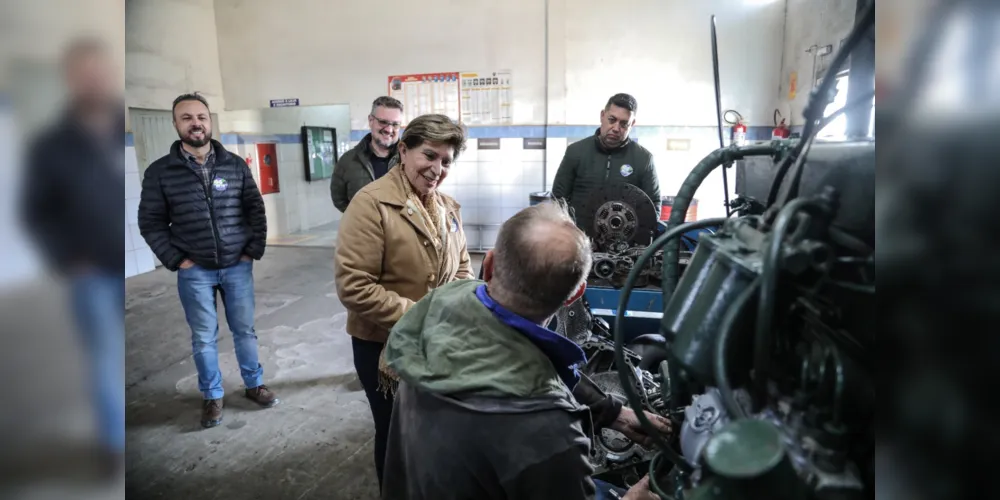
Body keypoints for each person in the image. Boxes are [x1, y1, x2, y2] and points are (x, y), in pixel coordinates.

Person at [380, 200, 670, 500]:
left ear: (489, 264)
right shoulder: (550, 431)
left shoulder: (439, 306)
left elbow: (536, 363)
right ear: (576, 294)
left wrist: (613, 412)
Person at [334, 113, 475, 487]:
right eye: (428, 155)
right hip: (383, 347)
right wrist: (422, 317)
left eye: (446, 161)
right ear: (403, 150)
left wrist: (461, 310)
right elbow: (353, 286)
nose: (437, 169)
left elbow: (462, 269)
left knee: (430, 431)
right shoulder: (371, 204)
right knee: (396, 434)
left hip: (437, 341)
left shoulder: (447, 207)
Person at [138, 92, 278, 429]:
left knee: (244, 330)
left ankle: (253, 384)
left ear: (210, 121)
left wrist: (251, 251)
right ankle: (212, 395)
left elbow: (255, 210)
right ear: (176, 124)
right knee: (203, 337)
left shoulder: (233, 165)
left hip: (237, 265)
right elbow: (151, 222)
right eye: (186, 118)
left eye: (201, 116)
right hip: (195, 270)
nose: (195, 123)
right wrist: (177, 260)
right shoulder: (160, 173)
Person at [20, 37, 126, 476]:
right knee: (104, 358)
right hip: (93, 274)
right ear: (71, 80)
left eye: (98, 71)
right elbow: (35, 211)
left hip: (130, 269)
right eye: (83, 73)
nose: (93, 80)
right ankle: (113, 447)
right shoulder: (52, 145)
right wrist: (66, 257)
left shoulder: (121, 128)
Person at [551, 93, 661, 224]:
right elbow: (558, 200)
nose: (616, 128)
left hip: (624, 241)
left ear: (632, 124)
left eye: (624, 124)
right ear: (602, 116)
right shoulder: (575, 152)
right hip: (579, 238)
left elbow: (653, 206)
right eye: (612, 119)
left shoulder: (644, 159)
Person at [330, 96, 404, 212]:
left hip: (400, 230)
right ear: (370, 120)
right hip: (362, 229)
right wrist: (361, 219)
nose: (389, 130)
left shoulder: (409, 160)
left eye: (395, 124)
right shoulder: (348, 161)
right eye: (383, 122)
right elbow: (339, 199)